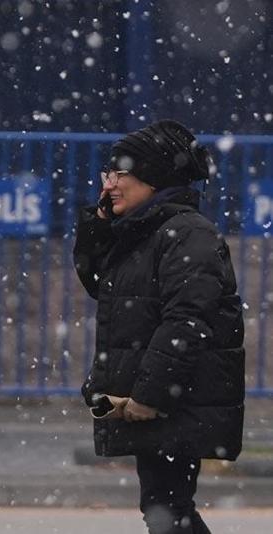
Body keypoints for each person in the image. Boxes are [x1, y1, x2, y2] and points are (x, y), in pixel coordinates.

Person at [73, 119, 245, 534]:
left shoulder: (186, 234)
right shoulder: (143, 232)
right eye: (106, 174)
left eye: (120, 174)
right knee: (165, 507)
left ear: (153, 179)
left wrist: (150, 395)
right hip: (161, 396)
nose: (109, 184)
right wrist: (99, 220)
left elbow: (187, 321)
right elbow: (98, 281)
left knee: (167, 509)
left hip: (175, 399)